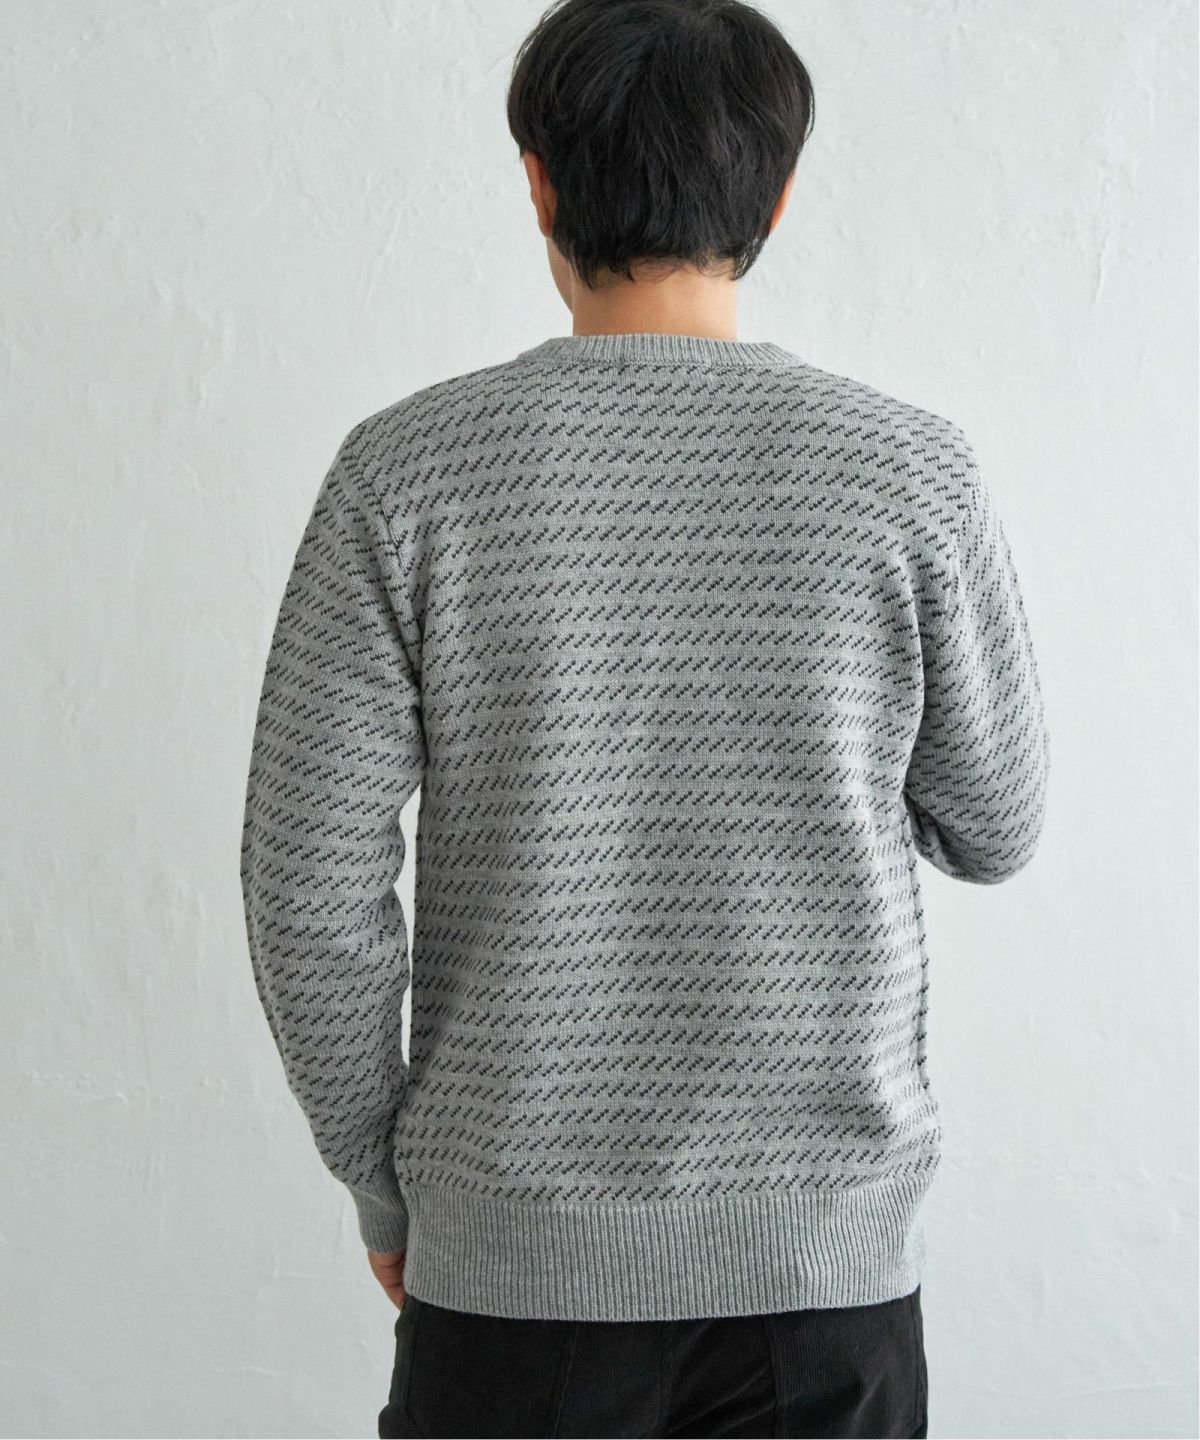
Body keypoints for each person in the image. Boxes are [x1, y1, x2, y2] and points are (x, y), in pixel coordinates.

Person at [238, 0, 1051, 1434]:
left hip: (510, 1272)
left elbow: (308, 883)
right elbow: (997, 824)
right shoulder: (909, 473)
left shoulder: (404, 473)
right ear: (777, 196)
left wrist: (385, 1182)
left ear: (539, 183)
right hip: (822, 1279)